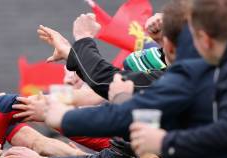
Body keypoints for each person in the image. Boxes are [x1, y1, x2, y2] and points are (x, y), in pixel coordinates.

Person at [37, 13, 165, 99]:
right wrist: (69, 52)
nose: (68, 80)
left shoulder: (175, 79)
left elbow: (104, 81)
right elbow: (102, 87)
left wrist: (83, 37)